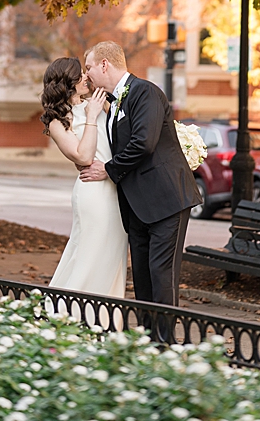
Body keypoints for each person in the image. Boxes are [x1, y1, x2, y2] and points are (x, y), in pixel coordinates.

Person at [78, 40, 199, 321]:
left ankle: (164, 346)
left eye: (89, 68)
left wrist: (108, 170)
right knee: (143, 279)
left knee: (161, 275)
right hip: (136, 205)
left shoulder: (145, 92)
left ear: (105, 64)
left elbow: (143, 143)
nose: (87, 76)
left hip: (167, 200)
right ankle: (146, 342)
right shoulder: (114, 101)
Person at [40, 56, 127, 298]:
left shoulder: (99, 102)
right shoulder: (58, 120)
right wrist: (91, 116)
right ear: (68, 81)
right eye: (81, 74)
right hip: (93, 193)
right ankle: (69, 314)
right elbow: (84, 157)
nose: (87, 77)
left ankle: (108, 319)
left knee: (112, 255)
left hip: (114, 189)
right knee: (90, 253)